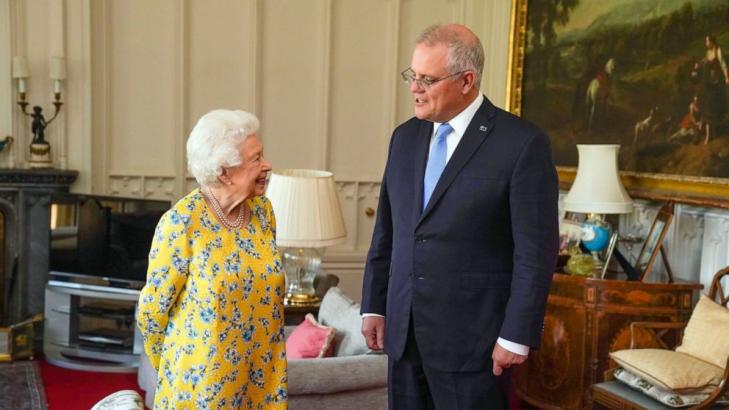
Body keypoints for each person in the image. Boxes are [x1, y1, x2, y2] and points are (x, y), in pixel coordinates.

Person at [361, 24, 559, 409]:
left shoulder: (521, 144)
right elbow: (388, 230)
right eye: (412, 76)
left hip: (475, 344)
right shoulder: (404, 138)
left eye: (427, 80)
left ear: (467, 80)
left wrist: (516, 335)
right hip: (404, 336)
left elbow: (535, 252)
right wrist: (375, 304)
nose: (414, 88)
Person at [137, 109, 287, 409]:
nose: (267, 165)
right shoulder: (181, 223)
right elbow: (152, 313)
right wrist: (179, 366)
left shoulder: (262, 212)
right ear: (223, 171)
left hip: (262, 384)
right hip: (200, 389)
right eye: (256, 159)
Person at [695, 34, 728, 144]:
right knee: (707, 108)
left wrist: (727, 77)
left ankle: (712, 134)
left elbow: (723, 64)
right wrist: (698, 64)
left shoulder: (718, 50)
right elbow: (705, 61)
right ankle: (709, 135)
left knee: (713, 109)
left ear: (711, 41)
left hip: (717, 82)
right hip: (709, 83)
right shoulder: (708, 53)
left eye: (707, 41)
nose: (706, 43)